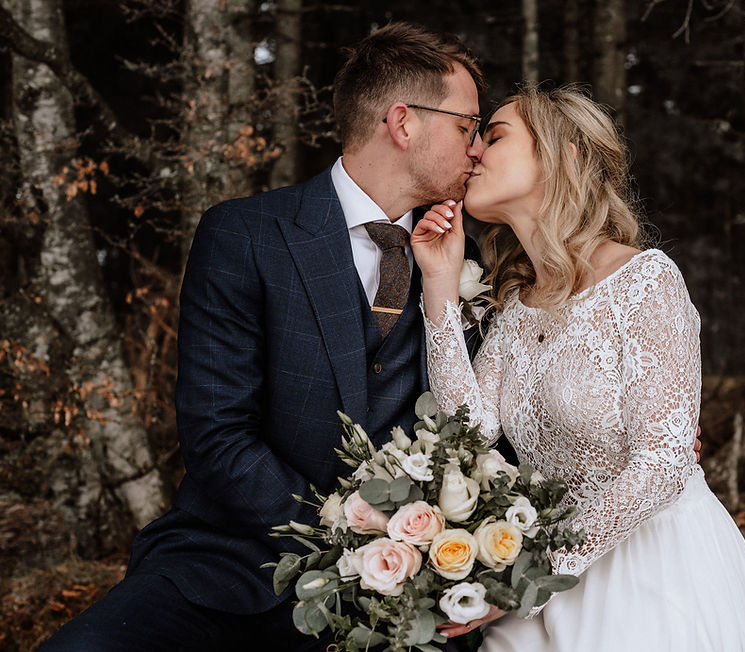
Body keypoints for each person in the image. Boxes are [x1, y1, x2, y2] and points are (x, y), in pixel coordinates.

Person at [40, 22, 486, 652]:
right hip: (230, 564)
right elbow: (218, 435)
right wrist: (346, 538)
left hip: (400, 594)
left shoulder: (468, 262)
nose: (477, 148)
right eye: (468, 126)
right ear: (403, 122)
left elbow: (483, 429)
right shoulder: (246, 235)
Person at [412, 85, 745, 651]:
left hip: (649, 572)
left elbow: (663, 461)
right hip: (540, 583)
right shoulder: (516, 306)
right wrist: (440, 283)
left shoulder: (645, 282)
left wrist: (533, 575)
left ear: (562, 155)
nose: (474, 151)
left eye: (495, 135)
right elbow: (469, 432)